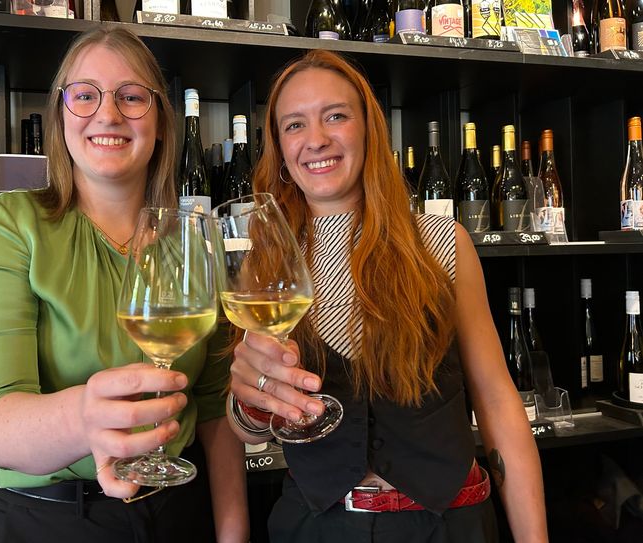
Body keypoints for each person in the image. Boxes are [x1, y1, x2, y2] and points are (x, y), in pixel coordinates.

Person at [226, 49, 549, 542]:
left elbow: (498, 401)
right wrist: (250, 404)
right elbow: (250, 427)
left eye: (335, 116)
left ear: (369, 131)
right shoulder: (266, 261)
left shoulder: (442, 242)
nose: (316, 140)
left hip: (447, 526)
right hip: (315, 527)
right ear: (279, 148)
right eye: (294, 125)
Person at [0, 26, 248, 543]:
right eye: (85, 95)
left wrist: (234, 532)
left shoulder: (193, 241)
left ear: (160, 123)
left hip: (178, 513)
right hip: (40, 522)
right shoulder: (10, 226)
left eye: (131, 97)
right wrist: (80, 420)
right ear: (62, 114)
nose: (107, 115)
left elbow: (216, 408)